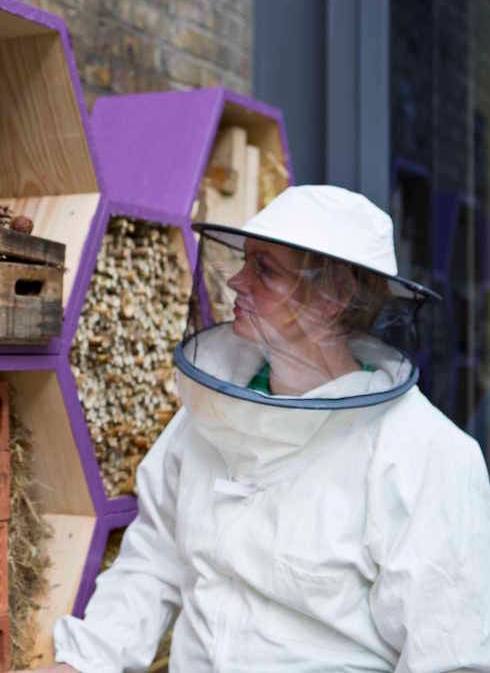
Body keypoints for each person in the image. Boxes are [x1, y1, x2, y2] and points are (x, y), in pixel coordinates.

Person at [36, 186, 490, 672]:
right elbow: (153, 559)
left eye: (265, 269)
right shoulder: (210, 414)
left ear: (333, 297)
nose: (235, 280)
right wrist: (86, 661)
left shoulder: (427, 456)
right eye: (244, 261)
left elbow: (448, 655)